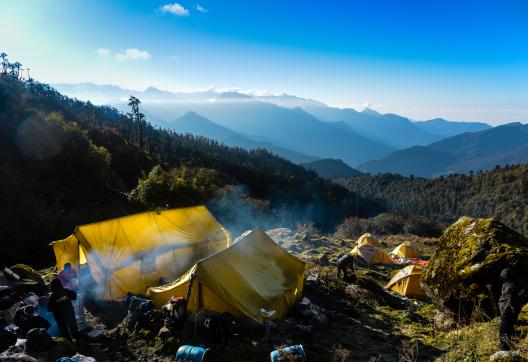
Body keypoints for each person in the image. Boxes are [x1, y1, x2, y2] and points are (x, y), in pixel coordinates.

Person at [498, 268, 525, 351]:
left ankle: (505, 346)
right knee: (506, 329)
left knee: (505, 329)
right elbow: (510, 299)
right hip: (507, 311)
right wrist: (512, 309)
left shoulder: (505, 285)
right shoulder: (511, 285)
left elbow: (507, 298)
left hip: (504, 309)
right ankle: (504, 348)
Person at [47, 278, 79, 342]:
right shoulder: (66, 291)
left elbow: (49, 309)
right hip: (69, 313)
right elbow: (75, 296)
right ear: (60, 284)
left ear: (52, 286)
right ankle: (78, 340)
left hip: (59, 317)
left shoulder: (52, 296)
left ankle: (69, 343)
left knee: (64, 330)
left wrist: (57, 307)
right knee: (73, 327)